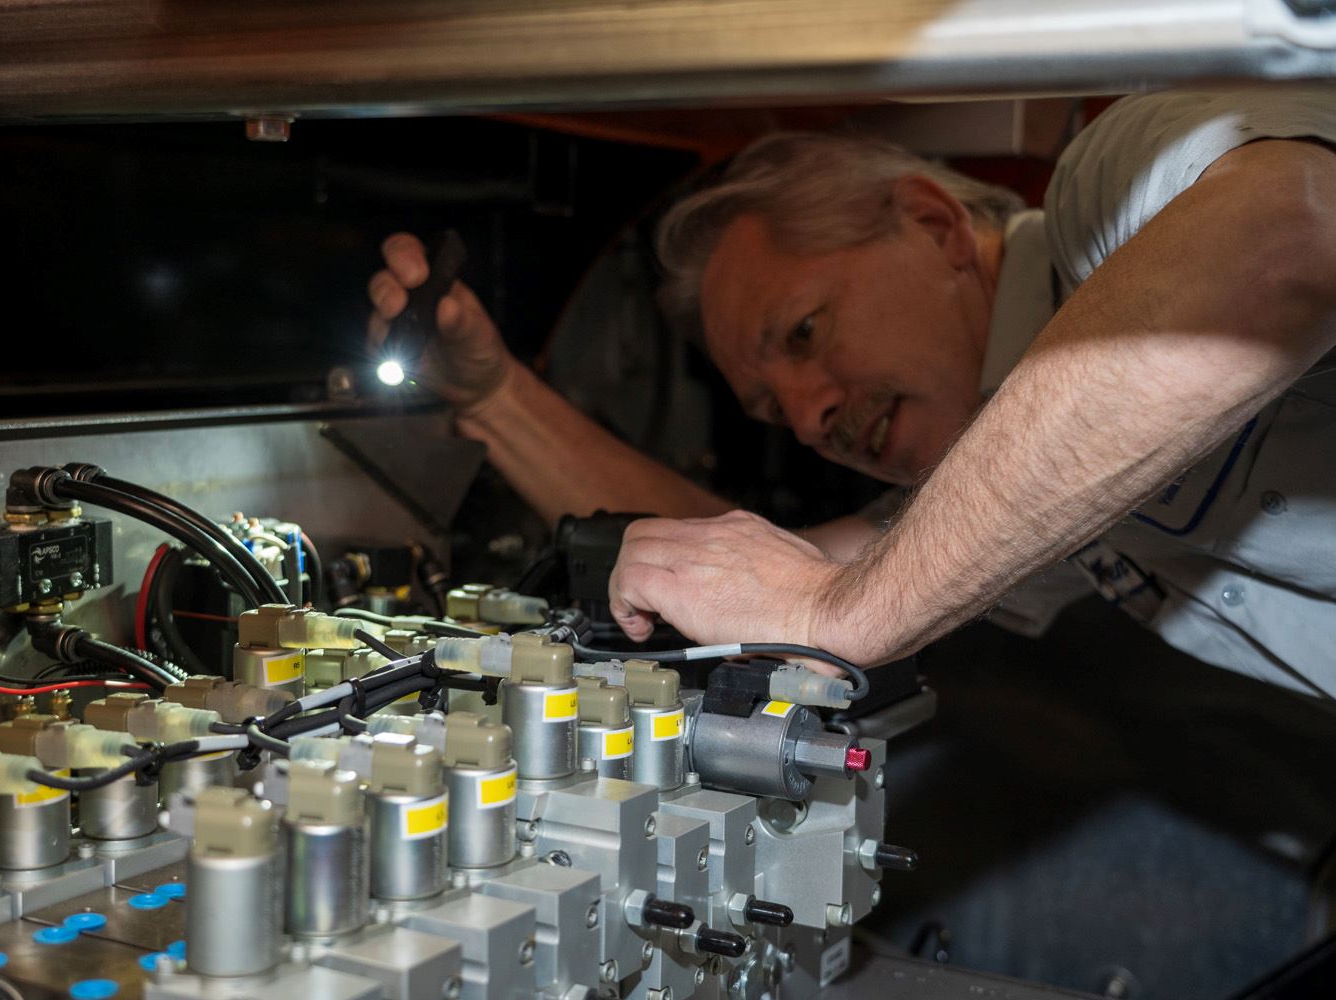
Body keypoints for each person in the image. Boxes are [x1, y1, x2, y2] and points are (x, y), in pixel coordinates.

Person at [367, 88, 1336, 699]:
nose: (805, 418)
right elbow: (750, 571)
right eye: (768, 407)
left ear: (935, 225)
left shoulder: (1103, 195)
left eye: (803, 332)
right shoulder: (1004, 483)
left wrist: (855, 612)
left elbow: (1298, 226)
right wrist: (496, 398)